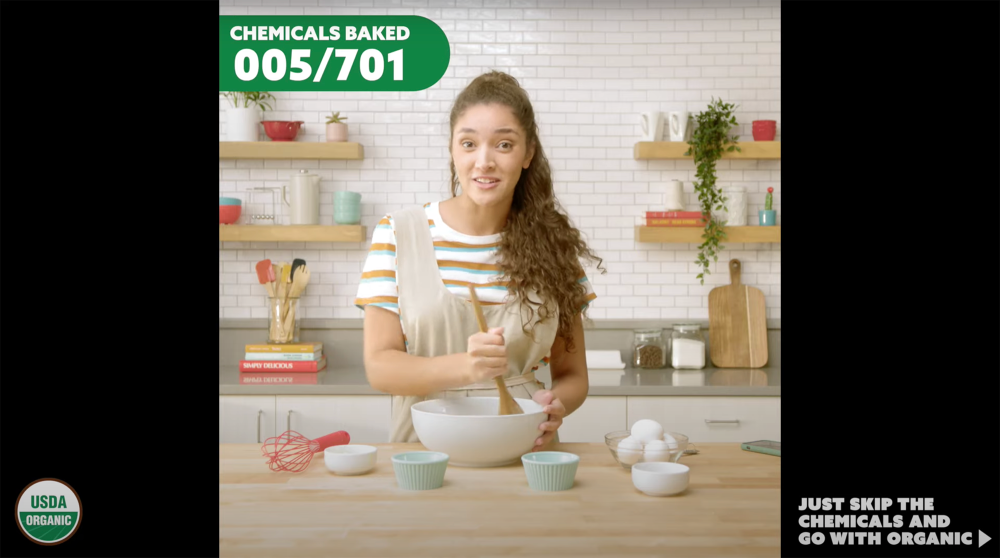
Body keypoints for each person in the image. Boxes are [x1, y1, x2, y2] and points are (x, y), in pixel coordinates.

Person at [354, 70, 605, 448]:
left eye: (504, 145)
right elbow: (380, 367)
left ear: (528, 153)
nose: (484, 161)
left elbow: (573, 375)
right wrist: (464, 367)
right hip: (426, 453)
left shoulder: (555, 248)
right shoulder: (398, 234)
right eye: (469, 143)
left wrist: (555, 405)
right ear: (453, 149)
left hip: (525, 446)